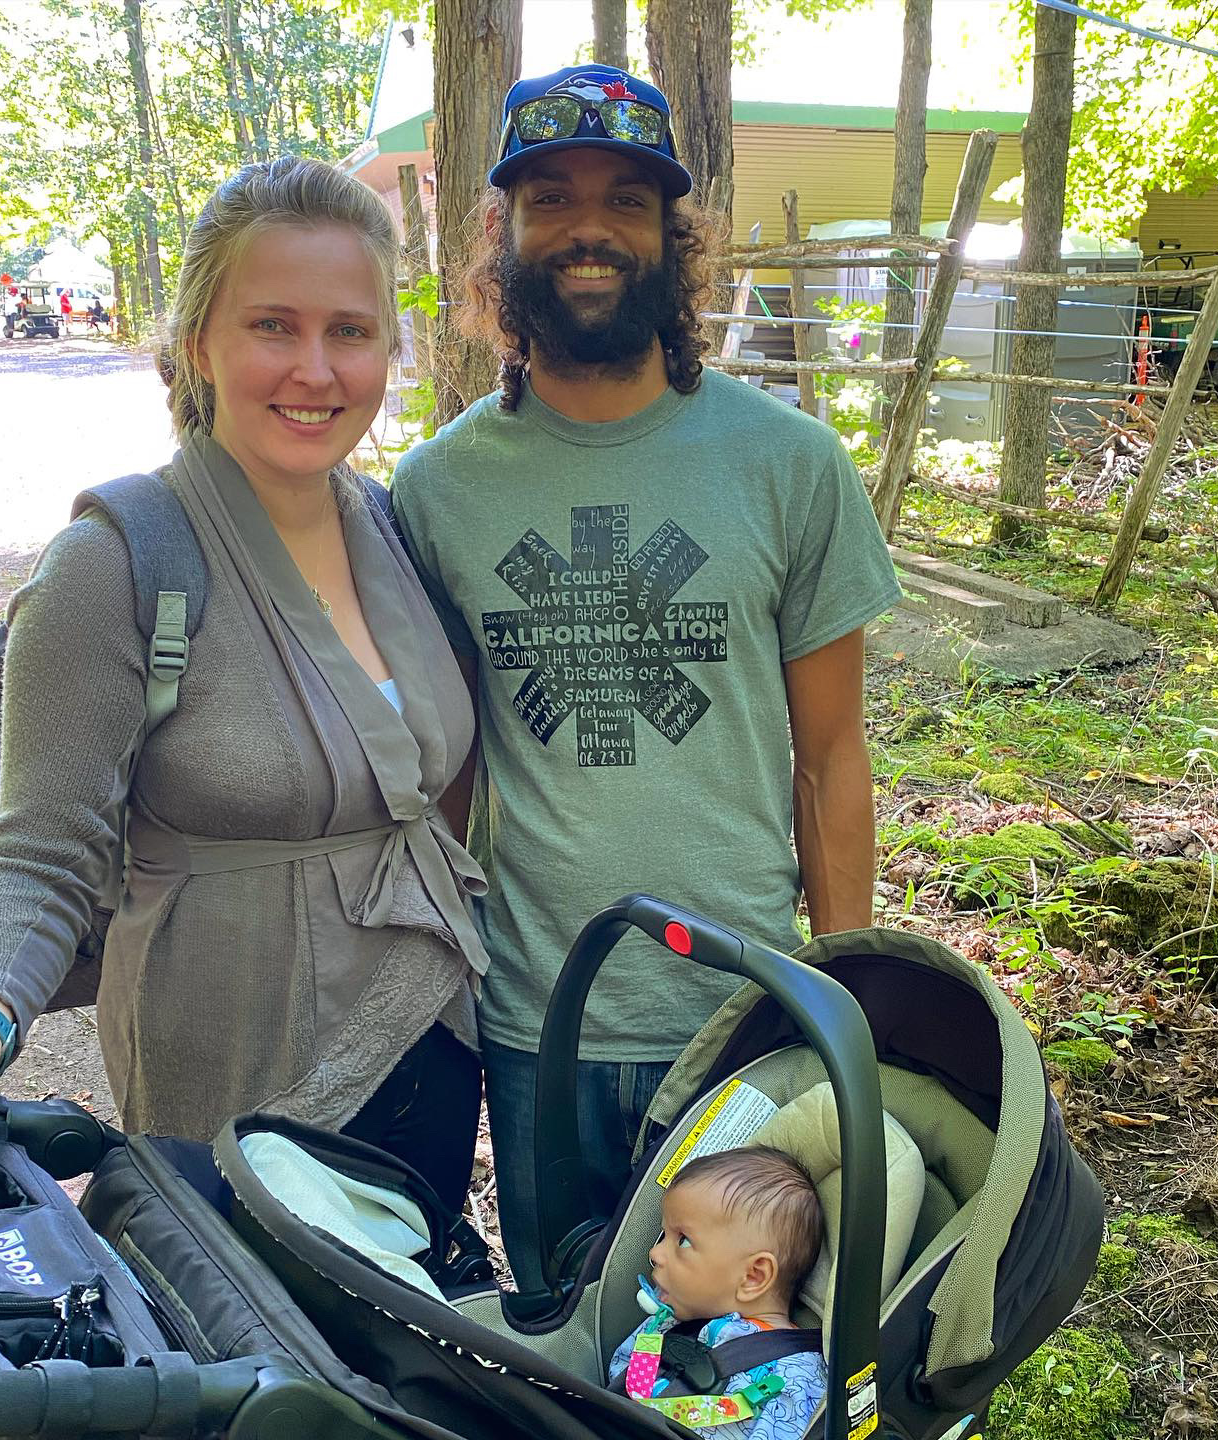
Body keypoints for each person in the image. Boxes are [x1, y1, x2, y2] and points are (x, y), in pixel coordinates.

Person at [389, 63, 901, 1287]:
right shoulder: (439, 490)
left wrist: (848, 1011)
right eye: (551, 196)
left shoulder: (789, 464)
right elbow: (447, 771)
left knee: (739, 1339)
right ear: (500, 234)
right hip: (537, 1020)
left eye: (627, 199)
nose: (589, 229)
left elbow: (831, 759)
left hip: (739, 1011)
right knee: (569, 1330)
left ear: (677, 236)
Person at [0, 155, 490, 1212]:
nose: (314, 368)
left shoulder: (394, 528)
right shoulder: (119, 560)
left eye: (349, 331)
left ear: (387, 351)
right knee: (258, 1366)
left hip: (428, 1036)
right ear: (197, 343)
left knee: (409, 1362)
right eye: (274, 325)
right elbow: (41, 844)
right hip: (235, 1083)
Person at [608, 1146, 826, 1440]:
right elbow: (619, 1384)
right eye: (664, 1236)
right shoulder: (666, 1325)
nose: (655, 1253)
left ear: (753, 1276)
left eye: (683, 1241)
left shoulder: (796, 1379)